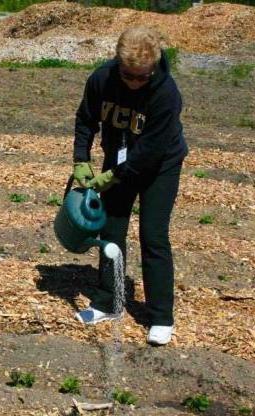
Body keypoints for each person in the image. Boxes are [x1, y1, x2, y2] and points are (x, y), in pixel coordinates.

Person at [72, 26, 188, 346]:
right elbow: (85, 120)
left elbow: (149, 153)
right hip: (119, 159)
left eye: (142, 77)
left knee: (153, 235)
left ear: (153, 68)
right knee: (110, 230)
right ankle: (108, 302)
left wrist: (111, 177)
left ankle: (161, 316)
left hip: (159, 167)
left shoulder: (166, 93)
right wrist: (80, 159)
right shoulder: (101, 80)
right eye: (128, 75)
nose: (135, 82)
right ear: (118, 63)